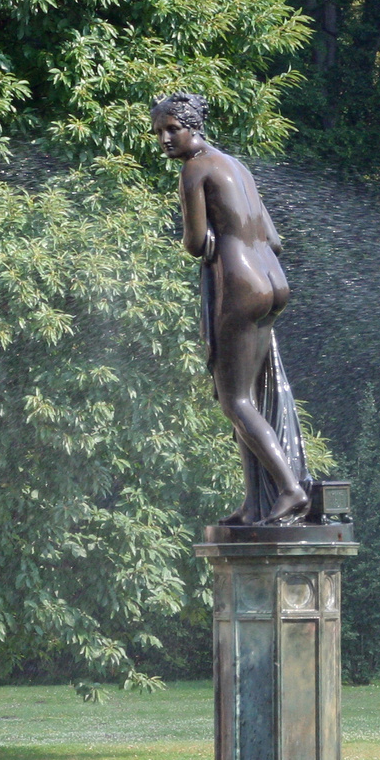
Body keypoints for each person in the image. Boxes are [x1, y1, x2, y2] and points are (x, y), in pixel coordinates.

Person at [152, 91, 312, 525]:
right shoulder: (236, 166)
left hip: (240, 285)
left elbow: (193, 242)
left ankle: (290, 490)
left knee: (234, 400)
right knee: (249, 396)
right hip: (273, 281)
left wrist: (210, 245)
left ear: (193, 126)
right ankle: (256, 503)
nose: (165, 139)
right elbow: (275, 240)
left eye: (172, 129)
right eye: (159, 132)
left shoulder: (194, 170)